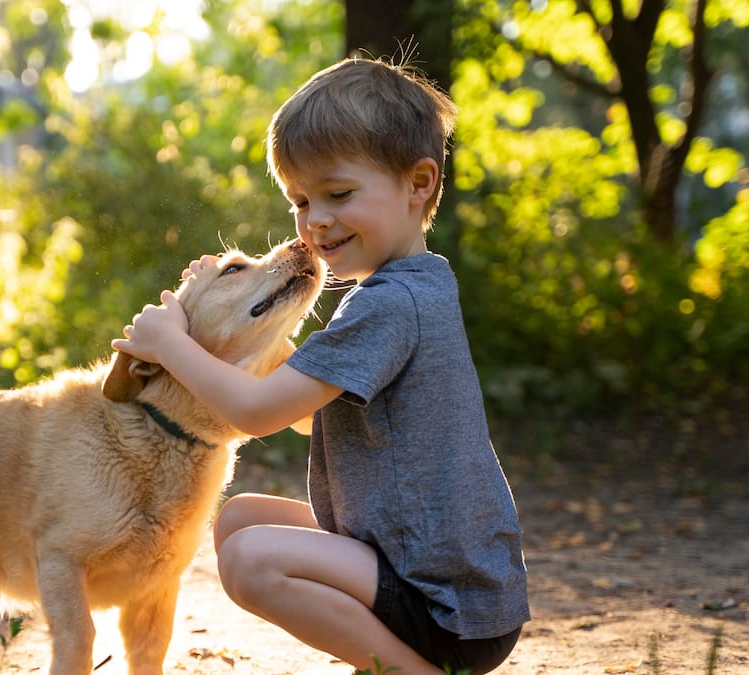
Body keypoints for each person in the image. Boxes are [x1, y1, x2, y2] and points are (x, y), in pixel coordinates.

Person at [111, 56, 529, 675]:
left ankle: (413, 671)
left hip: (447, 606)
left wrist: (172, 345)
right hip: (441, 576)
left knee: (252, 560)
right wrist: (221, 315)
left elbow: (257, 412)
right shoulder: (411, 286)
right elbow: (312, 418)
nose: (316, 221)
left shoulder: (390, 304)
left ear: (419, 184)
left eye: (338, 194)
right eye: (301, 200)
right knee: (239, 519)